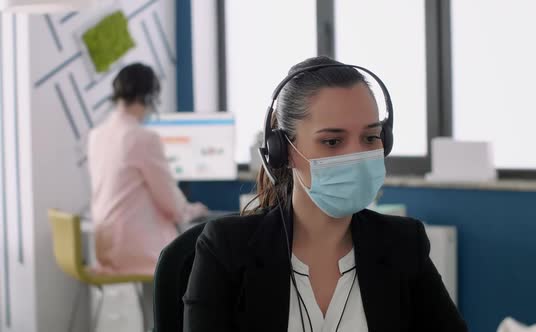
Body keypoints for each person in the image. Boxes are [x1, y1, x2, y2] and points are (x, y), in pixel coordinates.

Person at [182, 56, 467, 331]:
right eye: (332, 141)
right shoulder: (226, 248)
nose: (356, 155)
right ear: (283, 151)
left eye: (370, 138)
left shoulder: (403, 244)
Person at [87, 63, 208, 330]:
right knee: (192, 258)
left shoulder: (97, 135)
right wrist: (193, 210)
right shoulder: (142, 137)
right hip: (136, 250)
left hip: (106, 246)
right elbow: (172, 205)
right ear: (150, 96)